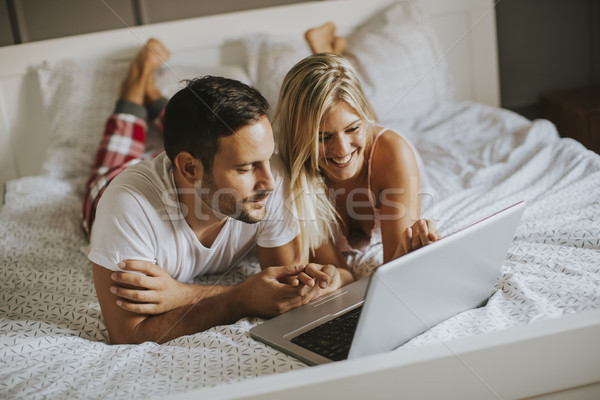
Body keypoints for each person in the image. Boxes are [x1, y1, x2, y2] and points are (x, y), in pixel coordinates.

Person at [85, 38, 353, 345]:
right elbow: (127, 334)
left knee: (196, 134)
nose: (270, 181)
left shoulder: (270, 175)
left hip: (184, 160)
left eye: (267, 158)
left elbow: (283, 288)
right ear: (188, 169)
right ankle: (134, 86)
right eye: (245, 168)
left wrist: (185, 295)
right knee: (115, 156)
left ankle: (154, 96)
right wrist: (238, 299)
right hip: (109, 186)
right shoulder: (126, 207)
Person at [275, 23, 441, 274]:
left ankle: (328, 51)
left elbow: (394, 269)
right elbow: (340, 272)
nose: (340, 149)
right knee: (343, 117)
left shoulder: (394, 153)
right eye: (323, 137)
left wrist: (413, 252)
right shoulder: (291, 172)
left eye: (353, 128)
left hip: (382, 149)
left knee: (358, 115)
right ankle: (328, 51)